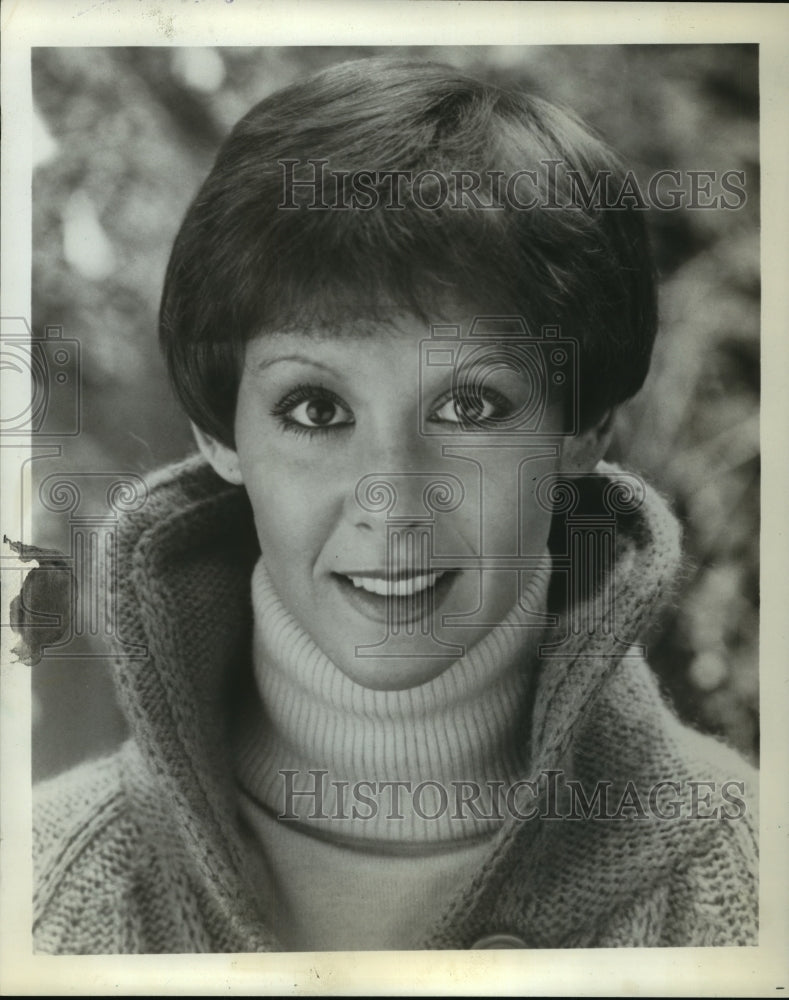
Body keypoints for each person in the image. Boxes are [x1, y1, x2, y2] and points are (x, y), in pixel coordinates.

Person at [32, 55, 757, 953]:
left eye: (469, 406)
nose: (392, 502)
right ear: (219, 431)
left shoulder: (753, 883)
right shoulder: (40, 896)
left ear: (584, 427)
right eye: (314, 409)